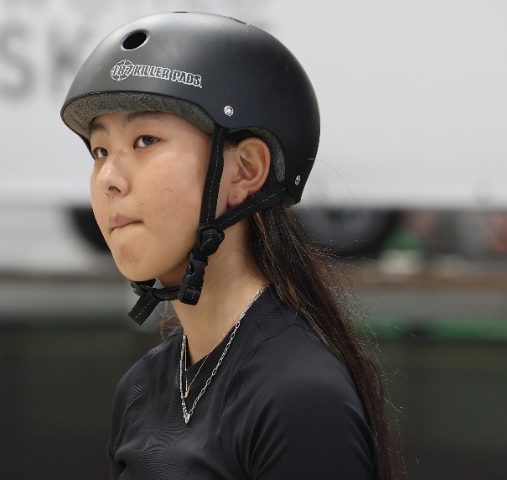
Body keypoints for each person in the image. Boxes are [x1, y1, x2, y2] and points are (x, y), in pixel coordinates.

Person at [61, 11, 397, 480]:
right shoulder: (141, 389)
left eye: (145, 140)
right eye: (100, 151)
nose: (110, 180)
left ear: (245, 171)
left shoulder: (300, 397)